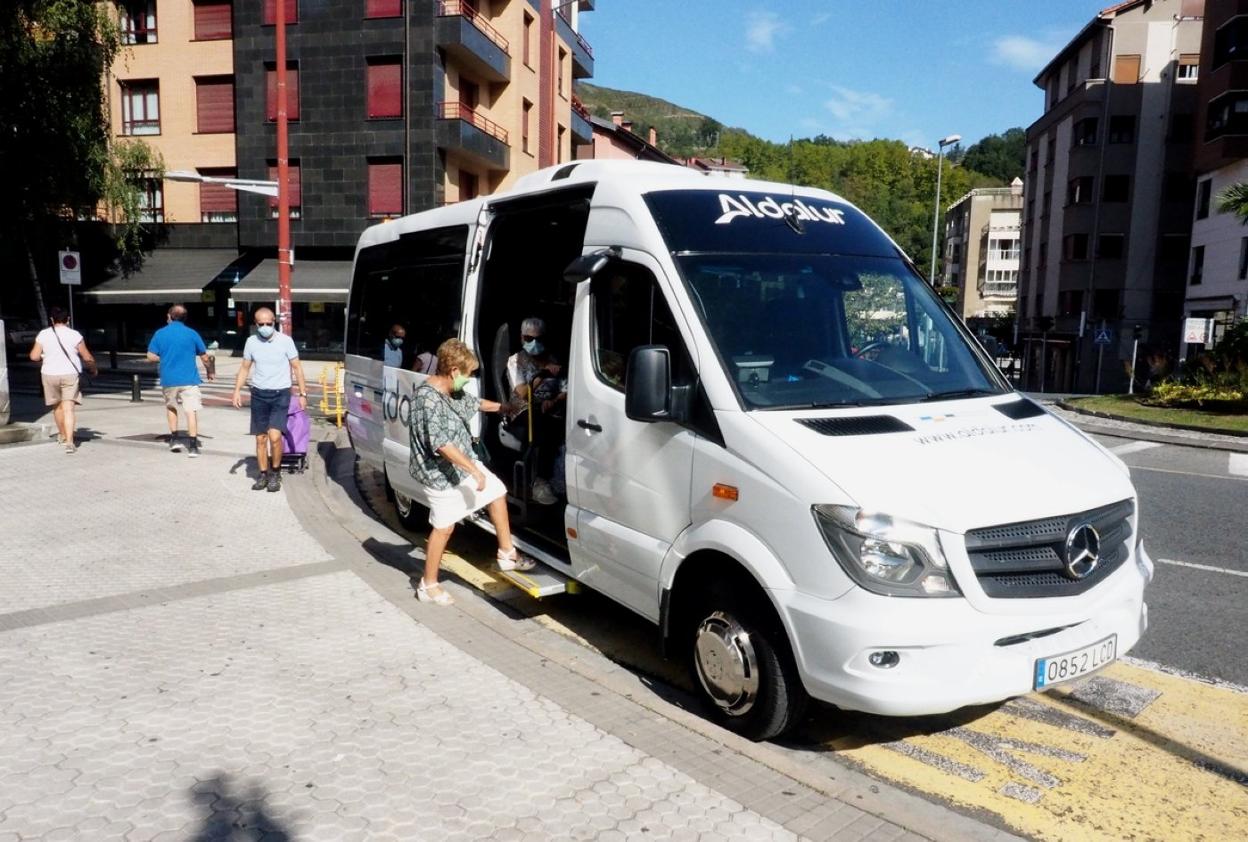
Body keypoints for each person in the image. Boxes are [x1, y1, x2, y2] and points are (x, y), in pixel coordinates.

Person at [409, 338, 535, 605]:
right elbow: (441, 444)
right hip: (439, 474)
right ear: (454, 371)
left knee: (497, 491)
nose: (468, 380)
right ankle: (427, 585)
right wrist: (474, 472)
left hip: (462, 464)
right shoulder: (428, 400)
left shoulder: (450, 391)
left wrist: (505, 408)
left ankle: (506, 553)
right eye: (467, 374)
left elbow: (474, 403)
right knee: (444, 528)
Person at [231, 308, 308, 492]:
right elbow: (244, 368)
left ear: (274, 322)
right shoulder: (251, 342)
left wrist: (303, 394)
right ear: (255, 324)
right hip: (259, 394)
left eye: (268, 323)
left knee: (274, 437)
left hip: (281, 393)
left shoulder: (285, 341)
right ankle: (263, 474)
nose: (265, 327)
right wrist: (236, 391)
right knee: (260, 439)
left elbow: (297, 367)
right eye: (261, 324)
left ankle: (275, 472)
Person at [505, 317, 565, 505]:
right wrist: (543, 374)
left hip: (549, 406)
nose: (534, 343)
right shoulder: (515, 361)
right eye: (529, 339)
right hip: (523, 409)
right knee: (543, 425)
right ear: (522, 338)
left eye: (538, 339)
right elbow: (522, 392)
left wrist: (554, 400)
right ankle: (538, 481)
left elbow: (565, 387)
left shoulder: (552, 359)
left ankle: (560, 479)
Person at [147, 304, 215, 457]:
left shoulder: (160, 333)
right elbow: (204, 357)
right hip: (189, 379)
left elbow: (150, 356)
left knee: (172, 408)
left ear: (169, 316)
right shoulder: (192, 333)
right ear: (185, 318)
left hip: (169, 378)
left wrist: (163, 358)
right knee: (191, 411)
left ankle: (175, 439)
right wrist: (210, 371)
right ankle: (193, 446)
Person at [29, 306, 97, 454]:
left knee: (57, 407)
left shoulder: (43, 334)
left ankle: (63, 436)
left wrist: (45, 356)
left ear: (52, 320)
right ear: (68, 319)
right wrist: (93, 368)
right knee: (69, 409)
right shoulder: (75, 335)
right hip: (70, 374)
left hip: (49, 374)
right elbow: (87, 356)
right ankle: (70, 443)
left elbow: (34, 356)